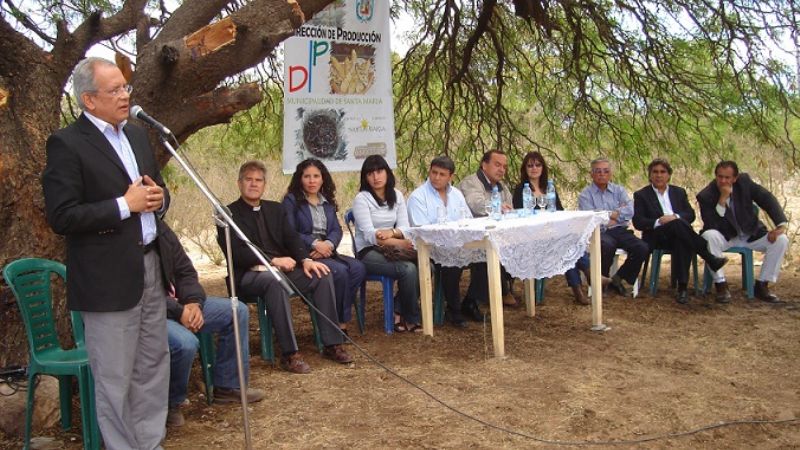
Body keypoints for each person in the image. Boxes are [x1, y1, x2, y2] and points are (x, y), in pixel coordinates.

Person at [41, 57, 170, 449]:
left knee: (152, 365)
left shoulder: (135, 136)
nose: (124, 96)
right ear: (89, 100)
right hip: (106, 279)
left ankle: (150, 443)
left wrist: (160, 200)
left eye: (125, 88)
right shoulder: (66, 143)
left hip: (150, 265)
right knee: (114, 377)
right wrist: (123, 205)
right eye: (114, 90)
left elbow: (155, 193)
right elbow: (62, 216)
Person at [218, 160, 352, 374]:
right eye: (249, 180)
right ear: (239, 183)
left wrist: (306, 260)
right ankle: (290, 354)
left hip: (283, 269)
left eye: (258, 180)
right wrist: (272, 261)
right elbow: (236, 252)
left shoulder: (275, 209)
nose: (254, 184)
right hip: (250, 275)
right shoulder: (228, 214)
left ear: (264, 185)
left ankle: (332, 343)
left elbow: (292, 239)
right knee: (275, 281)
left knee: (321, 274)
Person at [157, 223, 266, 428]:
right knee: (185, 343)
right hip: (152, 313)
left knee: (236, 310)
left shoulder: (161, 230)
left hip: (183, 305)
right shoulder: (127, 235)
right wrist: (179, 312)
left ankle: (227, 387)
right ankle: (170, 404)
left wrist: (193, 302)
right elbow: (141, 295)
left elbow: (186, 272)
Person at [282, 159, 366, 335]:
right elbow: (289, 232)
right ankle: (339, 325)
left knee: (358, 268)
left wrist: (328, 244)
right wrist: (315, 244)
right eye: (307, 176)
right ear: (300, 179)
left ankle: (336, 317)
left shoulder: (326, 201)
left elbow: (336, 229)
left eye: (316, 176)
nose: (312, 181)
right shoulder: (291, 201)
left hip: (327, 251)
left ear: (322, 179)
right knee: (340, 272)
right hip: (305, 254)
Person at [632, 159, 729, 304]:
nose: (659, 175)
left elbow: (690, 215)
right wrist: (659, 221)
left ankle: (682, 290)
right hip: (657, 236)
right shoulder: (641, 195)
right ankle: (708, 256)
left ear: (669, 175)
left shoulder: (679, 192)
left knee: (681, 236)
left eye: (663, 172)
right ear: (650, 175)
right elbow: (638, 222)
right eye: (655, 172)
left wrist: (675, 217)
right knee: (680, 228)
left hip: (678, 234)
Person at [696, 160, 789, 303]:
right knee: (708, 236)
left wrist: (780, 225)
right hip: (725, 236)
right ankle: (721, 285)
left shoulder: (744, 183)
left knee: (781, 240)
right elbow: (711, 224)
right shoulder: (706, 195)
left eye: (727, 177)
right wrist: (722, 199)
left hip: (750, 233)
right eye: (720, 177)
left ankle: (762, 285)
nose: (723, 181)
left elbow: (767, 199)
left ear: (735, 178)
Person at [352, 155, 421, 332]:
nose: (376, 177)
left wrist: (392, 233)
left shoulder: (396, 195)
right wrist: (399, 242)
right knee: (408, 269)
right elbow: (370, 235)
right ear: (365, 178)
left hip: (392, 247)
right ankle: (411, 318)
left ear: (387, 173)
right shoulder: (362, 199)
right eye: (370, 173)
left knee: (427, 266)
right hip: (368, 252)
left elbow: (405, 227)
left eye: (380, 171)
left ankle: (397, 310)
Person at [512, 151, 591, 305]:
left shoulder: (549, 187)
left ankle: (579, 289)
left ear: (543, 167)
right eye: (530, 165)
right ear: (525, 169)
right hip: (532, 236)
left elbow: (559, 211)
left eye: (537, 165)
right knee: (567, 245)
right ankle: (589, 276)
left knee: (569, 242)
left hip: (553, 233)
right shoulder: (521, 189)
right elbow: (520, 214)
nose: (534, 168)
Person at [407, 156, 473, 327]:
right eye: (434, 172)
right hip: (429, 248)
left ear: (451, 177)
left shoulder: (457, 195)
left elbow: (468, 219)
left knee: (484, 258)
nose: (436, 177)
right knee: (451, 262)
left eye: (442, 174)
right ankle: (454, 310)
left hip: (456, 244)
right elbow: (421, 231)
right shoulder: (418, 197)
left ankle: (470, 302)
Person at [578, 158, 649, 296]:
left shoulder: (619, 190)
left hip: (619, 230)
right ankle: (600, 282)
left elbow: (630, 210)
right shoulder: (585, 194)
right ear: (591, 174)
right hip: (599, 232)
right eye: (598, 171)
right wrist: (613, 214)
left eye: (606, 171)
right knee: (607, 245)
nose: (602, 174)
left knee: (642, 247)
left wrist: (609, 216)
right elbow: (592, 218)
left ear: (610, 174)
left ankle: (619, 278)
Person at [457, 150, 517, 310]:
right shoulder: (471, 182)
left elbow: (510, 207)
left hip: (493, 235)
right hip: (468, 238)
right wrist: (497, 207)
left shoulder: (502, 187)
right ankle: (473, 301)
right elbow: (475, 204)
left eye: (504, 166)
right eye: (497, 165)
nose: (502, 170)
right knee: (487, 252)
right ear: (484, 165)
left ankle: (502, 289)